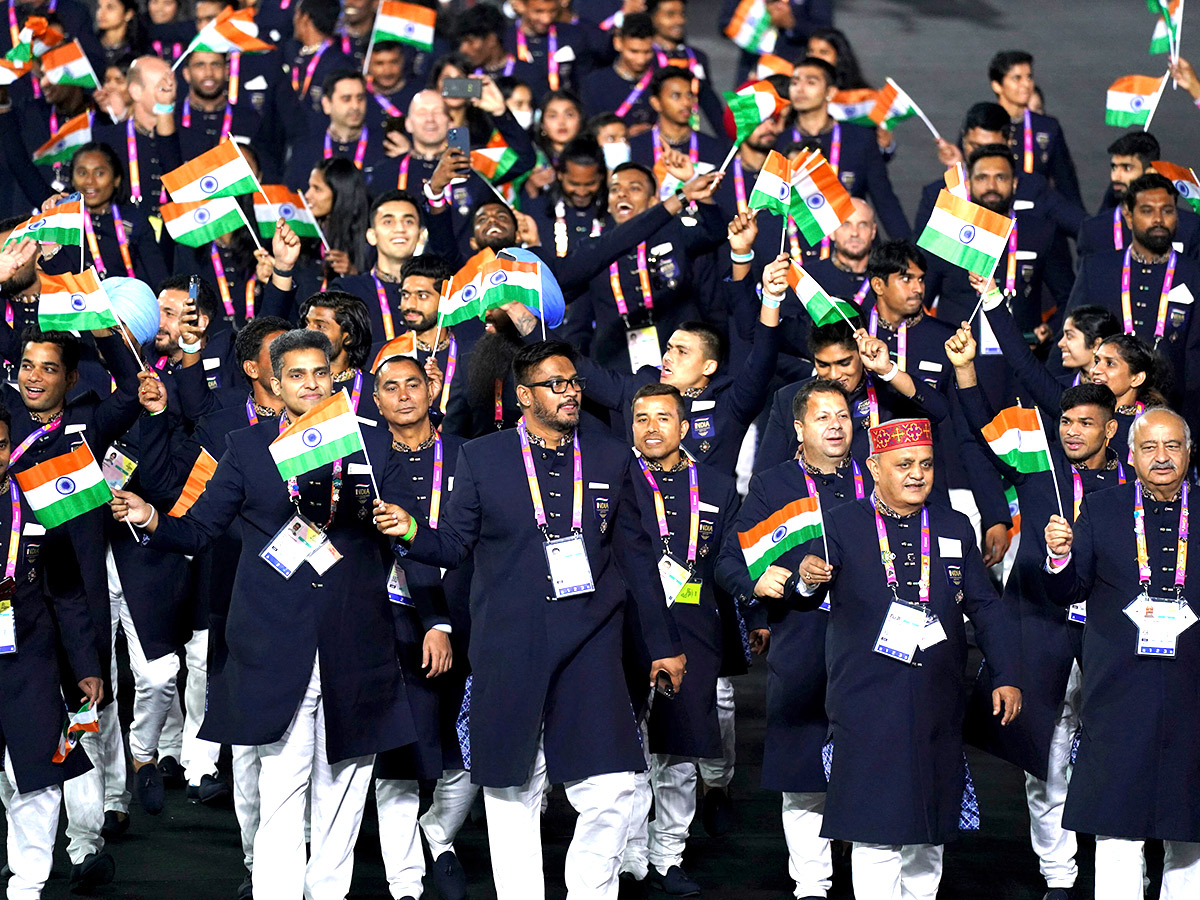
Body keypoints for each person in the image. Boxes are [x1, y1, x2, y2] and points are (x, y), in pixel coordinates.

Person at [112, 328, 419, 900]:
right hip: (277, 641)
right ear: (273, 383)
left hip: (357, 639)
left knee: (346, 790)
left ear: (334, 377)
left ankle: (328, 892)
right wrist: (151, 515)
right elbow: (200, 528)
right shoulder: (246, 447)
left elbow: (408, 529)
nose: (309, 383)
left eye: (319, 373)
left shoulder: (370, 444)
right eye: (295, 375)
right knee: (281, 787)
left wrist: (401, 523)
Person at [376, 339, 685, 900]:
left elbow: (638, 558)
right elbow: (453, 545)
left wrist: (663, 643)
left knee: (614, 786)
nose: (569, 393)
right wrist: (412, 532)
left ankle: (589, 891)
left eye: (573, 383)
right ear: (524, 396)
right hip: (509, 641)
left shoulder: (612, 456)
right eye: (554, 384)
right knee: (511, 787)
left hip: (592, 638)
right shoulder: (483, 457)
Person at [792, 418, 1022, 900]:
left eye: (926, 464)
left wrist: (1006, 672)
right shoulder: (840, 523)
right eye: (904, 465)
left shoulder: (954, 524)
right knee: (875, 831)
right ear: (874, 467)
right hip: (866, 701)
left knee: (930, 829)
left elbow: (983, 606)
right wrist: (808, 578)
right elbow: (804, 592)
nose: (918, 474)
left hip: (937, 701)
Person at [948, 325, 1126, 900]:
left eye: (1086, 424)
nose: (1073, 432)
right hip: (1040, 628)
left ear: (1111, 429)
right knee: (1043, 762)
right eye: (1067, 422)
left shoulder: (1134, 482)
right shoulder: (1036, 465)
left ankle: (1125, 867)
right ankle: (1059, 877)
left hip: (1108, 636)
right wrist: (967, 370)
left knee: (1117, 750)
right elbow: (978, 425)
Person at [717, 378, 873, 900]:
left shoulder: (877, 478)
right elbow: (730, 560)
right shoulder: (773, 484)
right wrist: (769, 581)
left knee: (872, 758)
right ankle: (811, 884)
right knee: (804, 769)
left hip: (871, 646)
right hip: (803, 641)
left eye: (843, 415)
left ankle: (868, 864)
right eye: (823, 417)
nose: (835, 424)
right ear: (800, 429)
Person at [1043, 408, 1200, 898]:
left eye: (1172, 446)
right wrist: (1059, 555)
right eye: (1149, 447)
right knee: (1116, 828)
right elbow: (1071, 588)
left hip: (1192, 693)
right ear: (1130, 455)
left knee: (1190, 831)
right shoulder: (1102, 507)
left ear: (1189, 453)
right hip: (1118, 690)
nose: (1161, 457)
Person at [621, 382, 740, 897]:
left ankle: (668, 855)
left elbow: (731, 561)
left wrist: (754, 608)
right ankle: (628, 858)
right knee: (625, 753)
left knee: (679, 752)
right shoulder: (613, 478)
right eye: (641, 418)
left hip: (693, 628)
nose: (651, 427)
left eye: (663, 418)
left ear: (684, 427)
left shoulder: (716, 485)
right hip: (624, 629)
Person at [370, 352, 472, 900]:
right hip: (394, 621)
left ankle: (440, 832)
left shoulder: (467, 455)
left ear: (432, 391)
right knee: (401, 753)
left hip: (470, 617)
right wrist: (432, 621)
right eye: (392, 386)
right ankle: (405, 879)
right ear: (377, 398)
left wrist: (447, 622)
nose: (405, 394)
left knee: (466, 749)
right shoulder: (366, 462)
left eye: (415, 384)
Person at [566, 231, 781, 476]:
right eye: (668, 349)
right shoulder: (641, 386)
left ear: (708, 367)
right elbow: (582, 369)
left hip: (707, 512)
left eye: (682, 352)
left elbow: (763, 356)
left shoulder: (729, 403)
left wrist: (772, 298)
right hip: (641, 510)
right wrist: (528, 324)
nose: (668, 357)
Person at [0, 399, 104, 900]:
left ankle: (29, 885)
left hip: (30, 659)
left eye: (0, 444)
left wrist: (85, 666)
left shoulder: (37, 498)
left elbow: (66, 590)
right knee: (8, 780)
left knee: (37, 777)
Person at [1065, 173, 1200, 423]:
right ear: (1128, 215)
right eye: (1147, 211)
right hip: (1102, 416)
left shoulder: (1194, 274)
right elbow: (1070, 337)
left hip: (1174, 417)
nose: (1159, 220)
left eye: (1167, 211)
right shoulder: (1097, 269)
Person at [755, 320, 950, 471]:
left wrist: (888, 370)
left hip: (877, 515)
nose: (834, 375)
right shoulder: (789, 398)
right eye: (823, 364)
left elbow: (938, 410)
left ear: (861, 353)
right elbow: (765, 473)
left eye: (844, 363)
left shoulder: (888, 394)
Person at [922, 144, 1072, 337]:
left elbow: (1069, 297)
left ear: (1015, 183)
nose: (991, 186)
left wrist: (1050, 329)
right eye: (982, 177)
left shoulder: (1040, 232)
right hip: (957, 358)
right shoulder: (948, 232)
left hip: (1023, 357)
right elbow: (919, 300)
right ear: (968, 184)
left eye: (1000, 177)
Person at [917, 102, 1085, 240]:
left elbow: (1082, 227)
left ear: (1009, 141)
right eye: (974, 146)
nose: (982, 155)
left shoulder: (1033, 189)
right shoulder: (939, 195)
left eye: (992, 148)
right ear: (963, 139)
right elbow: (921, 262)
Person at [786, 57, 910, 241]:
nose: (800, 89)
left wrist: (908, 251)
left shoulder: (859, 139)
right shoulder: (780, 141)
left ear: (830, 92)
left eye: (811, 82)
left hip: (853, 247)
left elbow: (885, 201)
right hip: (796, 250)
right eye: (795, 82)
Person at [1077, 132, 1200, 259]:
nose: (1115, 176)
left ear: (1151, 172)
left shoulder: (1189, 228)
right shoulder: (1093, 231)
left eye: (1127, 168)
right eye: (1114, 167)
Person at [987, 50, 1082, 208]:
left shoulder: (1047, 127)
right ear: (997, 85)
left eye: (1029, 77)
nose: (1027, 84)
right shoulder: (984, 123)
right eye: (1017, 78)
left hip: (1035, 215)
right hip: (992, 216)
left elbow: (1066, 183)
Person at [330, 189, 424, 343]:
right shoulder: (346, 292)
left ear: (420, 235)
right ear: (372, 236)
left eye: (408, 221)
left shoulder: (435, 292)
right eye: (388, 221)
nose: (400, 229)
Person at [285, 70, 389, 189]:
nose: (355, 106)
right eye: (346, 99)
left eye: (360, 98)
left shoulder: (385, 146)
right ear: (327, 104)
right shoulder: (306, 149)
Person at [177, 50, 268, 173]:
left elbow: (266, 170)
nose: (209, 73)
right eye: (200, 65)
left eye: (215, 64)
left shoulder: (250, 120)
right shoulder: (172, 120)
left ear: (226, 71)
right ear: (186, 74)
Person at [628, 67, 728, 173]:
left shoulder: (715, 150)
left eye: (689, 95)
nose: (686, 102)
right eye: (676, 96)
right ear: (656, 103)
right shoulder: (635, 148)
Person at [299, 289, 379, 419]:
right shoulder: (292, 386)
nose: (307, 331)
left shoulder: (376, 390)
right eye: (307, 323)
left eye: (320, 326)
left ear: (348, 338)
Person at [523, 137, 607, 259]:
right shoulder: (540, 209)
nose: (582, 192)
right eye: (574, 184)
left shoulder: (612, 212)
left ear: (601, 177)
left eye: (590, 184)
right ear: (560, 175)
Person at [580, 12, 658, 132]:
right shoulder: (594, 84)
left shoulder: (662, 81)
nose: (641, 60)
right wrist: (624, 136)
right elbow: (589, 132)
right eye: (634, 51)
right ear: (618, 43)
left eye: (647, 52)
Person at [305, 157, 373, 281]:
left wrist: (352, 274)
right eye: (310, 187)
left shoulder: (369, 240)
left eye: (317, 189)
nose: (307, 195)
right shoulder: (307, 236)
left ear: (340, 194)